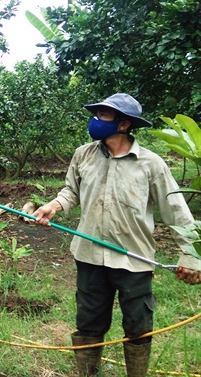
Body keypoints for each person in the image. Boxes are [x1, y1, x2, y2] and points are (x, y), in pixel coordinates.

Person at [33, 93, 201, 377]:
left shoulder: (151, 164)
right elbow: (71, 190)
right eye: (96, 114)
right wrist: (54, 206)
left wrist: (192, 255)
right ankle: (87, 372)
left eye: (103, 116)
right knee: (89, 322)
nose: (95, 120)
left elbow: (176, 211)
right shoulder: (82, 154)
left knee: (138, 325)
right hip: (89, 255)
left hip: (133, 259)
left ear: (124, 125)